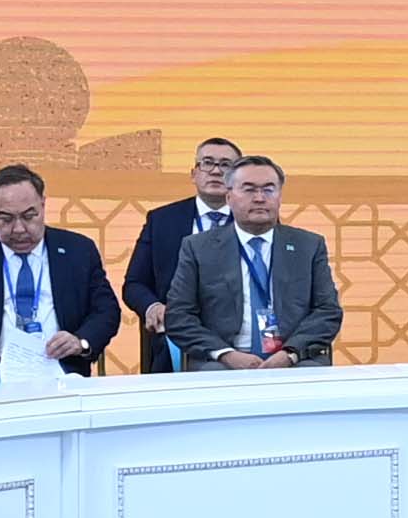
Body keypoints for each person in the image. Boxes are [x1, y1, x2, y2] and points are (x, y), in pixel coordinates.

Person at [0, 167, 118, 383]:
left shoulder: (78, 250)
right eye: (6, 219)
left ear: (43, 205)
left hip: (61, 371)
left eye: (29, 216)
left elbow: (106, 310)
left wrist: (80, 341)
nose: (18, 229)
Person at [163, 152, 341, 367]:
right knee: (214, 377)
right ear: (229, 197)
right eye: (249, 189)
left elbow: (327, 311)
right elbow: (179, 316)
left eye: (268, 189)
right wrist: (226, 354)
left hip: (294, 357)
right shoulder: (198, 248)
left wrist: (290, 353)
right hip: (224, 360)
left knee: (310, 376)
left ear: (280, 197)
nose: (259, 198)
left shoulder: (308, 246)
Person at [121, 137, 248, 377]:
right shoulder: (162, 220)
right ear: (193, 174)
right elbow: (135, 284)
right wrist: (153, 307)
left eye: (226, 165)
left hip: (242, 335)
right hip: (177, 334)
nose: (216, 171)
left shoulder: (255, 220)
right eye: (207, 163)